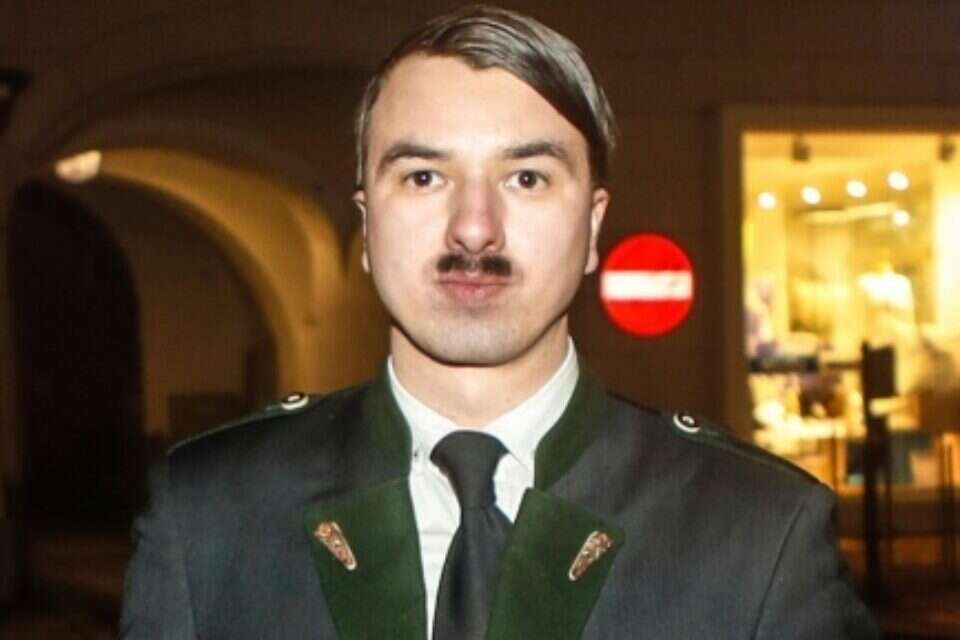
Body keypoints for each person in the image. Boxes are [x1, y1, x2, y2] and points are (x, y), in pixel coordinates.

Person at [121, 5, 879, 639]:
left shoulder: (758, 532)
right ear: (367, 226)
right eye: (424, 176)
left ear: (592, 227)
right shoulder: (209, 515)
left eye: (526, 177)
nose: (475, 228)